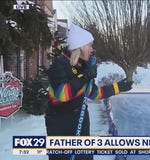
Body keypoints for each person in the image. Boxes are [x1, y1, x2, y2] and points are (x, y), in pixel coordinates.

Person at [45, 25, 133, 160]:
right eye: (90, 46)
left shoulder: (82, 66)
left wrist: (118, 87)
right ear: (80, 47)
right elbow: (62, 94)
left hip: (80, 119)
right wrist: (85, 76)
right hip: (60, 123)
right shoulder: (60, 65)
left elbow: (93, 93)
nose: (92, 49)